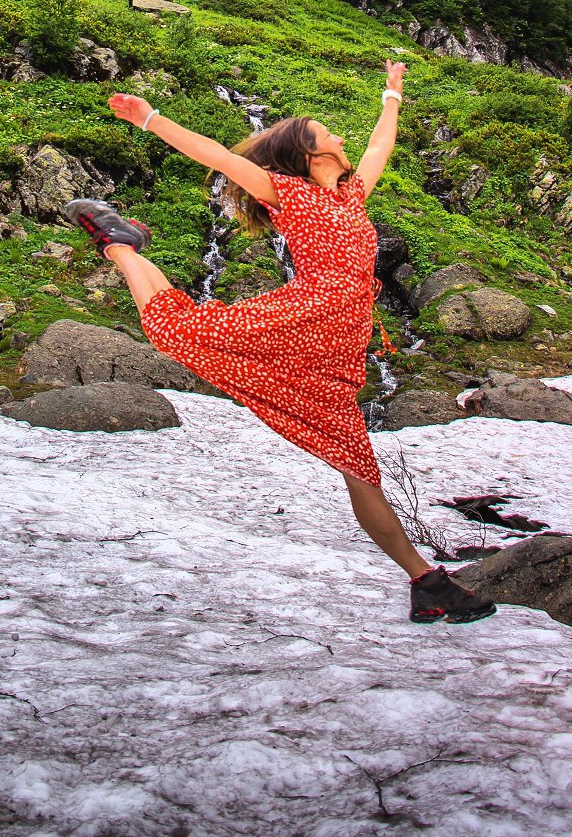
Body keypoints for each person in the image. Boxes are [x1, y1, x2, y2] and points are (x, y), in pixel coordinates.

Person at [64, 59, 496, 626]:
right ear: (311, 154)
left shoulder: (352, 195)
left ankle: (425, 583)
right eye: (327, 134)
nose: (342, 137)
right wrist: (153, 120)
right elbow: (218, 156)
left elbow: (380, 145)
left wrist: (392, 93)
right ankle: (122, 247)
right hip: (299, 319)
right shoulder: (286, 192)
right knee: (176, 330)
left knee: (360, 468)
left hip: (338, 353)